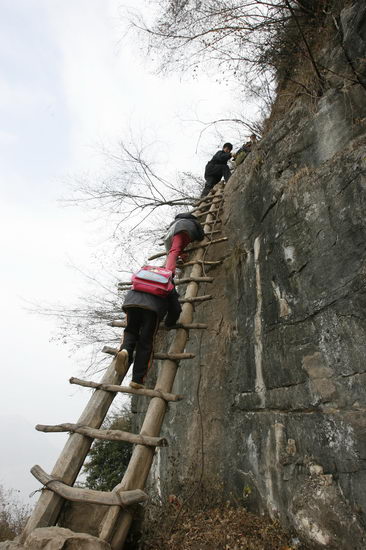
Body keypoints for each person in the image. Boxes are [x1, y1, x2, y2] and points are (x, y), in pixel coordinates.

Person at [115, 285, 182, 389]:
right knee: (146, 341)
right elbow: (176, 309)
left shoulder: (144, 276)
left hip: (131, 303)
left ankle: (124, 350)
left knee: (130, 331)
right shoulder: (168, 283)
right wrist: (169, 323)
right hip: (152, 309)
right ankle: (137, 380)